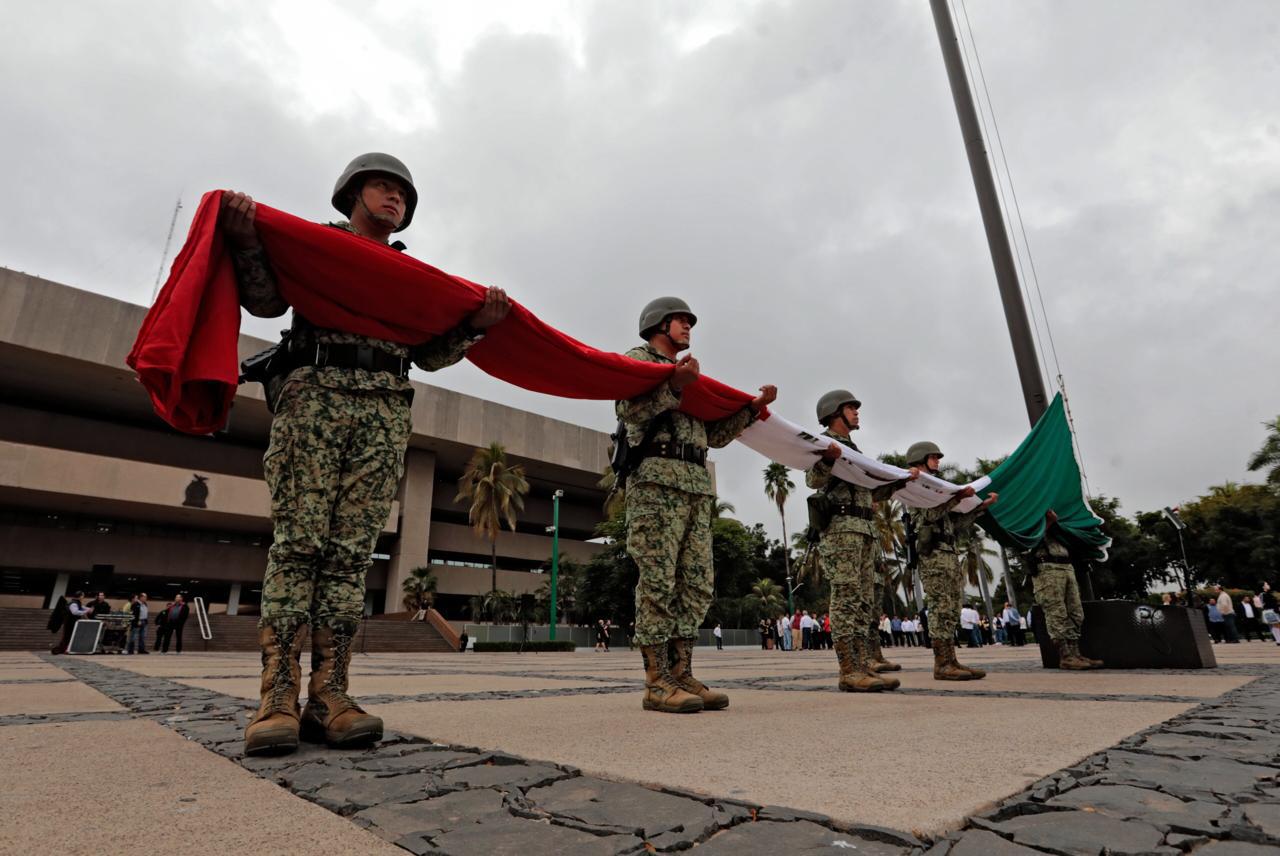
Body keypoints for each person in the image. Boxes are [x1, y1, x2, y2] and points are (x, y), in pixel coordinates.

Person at [223, 153, 512, 755]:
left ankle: (330, 695)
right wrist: (249, 239)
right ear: (351, 194)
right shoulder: (318, 248)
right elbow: (267, 301)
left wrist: (475, 326)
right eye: (382, 187)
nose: (395, 198)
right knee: (301, 544)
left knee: (351, 555)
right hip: (317, 398)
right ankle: (276, 696)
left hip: (383, 410)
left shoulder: (409, 278)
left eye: (403, 194)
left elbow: (429, 354)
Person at [617, 296, 775, 713]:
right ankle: (656, 681)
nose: (688, 327)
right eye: (680, 321)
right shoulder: (639, 360)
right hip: (656, 485)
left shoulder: (691, 377)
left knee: (697, 583)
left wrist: (752, 411)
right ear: (657, 324)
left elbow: (715, 436)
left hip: (695, 488)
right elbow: (626, 409)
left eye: (689, 321)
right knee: (658, 581)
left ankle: (681, 671)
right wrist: (672, 386)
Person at [807, 390, 918, 692]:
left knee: (862, 601)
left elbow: (870, 492)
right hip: (842, 529)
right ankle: (849, 669)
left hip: (864, 528)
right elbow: (813, 480)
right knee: (845, 597)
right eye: (850, 408)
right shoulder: (825, 444)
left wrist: (898, 482)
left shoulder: (854, 449)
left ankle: (862, 663)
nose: (856, 413)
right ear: (834, 413)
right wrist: (828, 460)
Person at [904, 441, 997, 681]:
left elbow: (954, 525)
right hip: (933, 554)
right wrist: (956, 498)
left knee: (952, 607)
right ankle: (942, 663)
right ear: (921, 459)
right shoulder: (915, 488)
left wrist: (980, 509)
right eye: (933, 457)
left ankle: (951, 660)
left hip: (947, 552)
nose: (938, 461)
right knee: (940, 607)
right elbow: (929, 514)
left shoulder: (937, 489)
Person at [1028, 511, 1103, 670]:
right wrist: (1048, 523)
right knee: (1057, 612)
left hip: (1067, 566)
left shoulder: (1063, 524)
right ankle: (1065, 656)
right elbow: (1027, 542)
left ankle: (1075, 653)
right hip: (1047, 567)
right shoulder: (1030, 518)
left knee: (1076, 612)